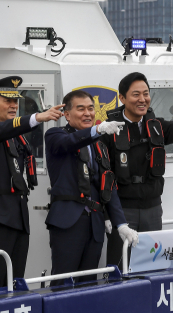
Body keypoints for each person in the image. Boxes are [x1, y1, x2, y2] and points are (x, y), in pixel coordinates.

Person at [0, 76, 63, 288]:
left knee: (15, 277)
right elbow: (2, 130)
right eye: (7, 101)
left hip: (18, 215)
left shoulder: (15, 134)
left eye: (15, 101)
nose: (13, 105)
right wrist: (36, 118)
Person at [102, 72, 173, 266]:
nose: (142, 99)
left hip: (152, 208)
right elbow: (102, 174)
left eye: (146, 94)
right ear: (122, 98)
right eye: (136, 94)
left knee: (151, 262)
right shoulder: (109, 130)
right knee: (120, 263)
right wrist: (106, 215)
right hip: (122, 209)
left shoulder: (156, 125)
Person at [45, 91, 139, 284]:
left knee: (88, 282)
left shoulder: (99, 145)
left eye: (90, 109)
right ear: (67, 114)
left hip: (95, 223)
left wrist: (120, 223)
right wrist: (97, 130)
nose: (88, 113)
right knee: (64, 280)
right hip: (68, 223)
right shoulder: (55, 135)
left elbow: (108, 183)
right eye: (81, 109)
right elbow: (69, 142)